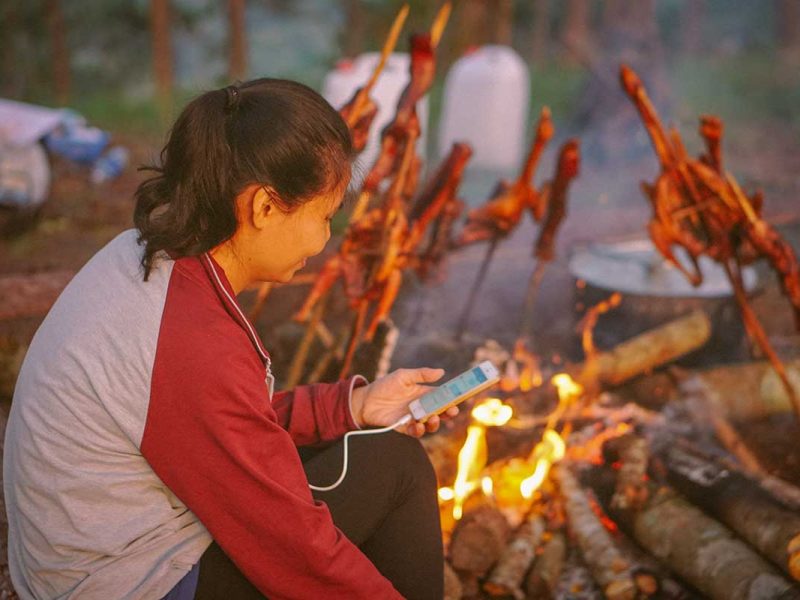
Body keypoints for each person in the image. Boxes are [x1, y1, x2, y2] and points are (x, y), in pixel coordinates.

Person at [3, 79, 456, 599]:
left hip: (94, 556)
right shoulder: (191, 338)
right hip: (129, 582)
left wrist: (353, 405)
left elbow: (222, 425)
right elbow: (291, 550)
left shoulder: (146, 256)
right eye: (325, 216)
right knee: (396, 468)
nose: (326, 238)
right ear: (264, 207)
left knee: (373, 450)